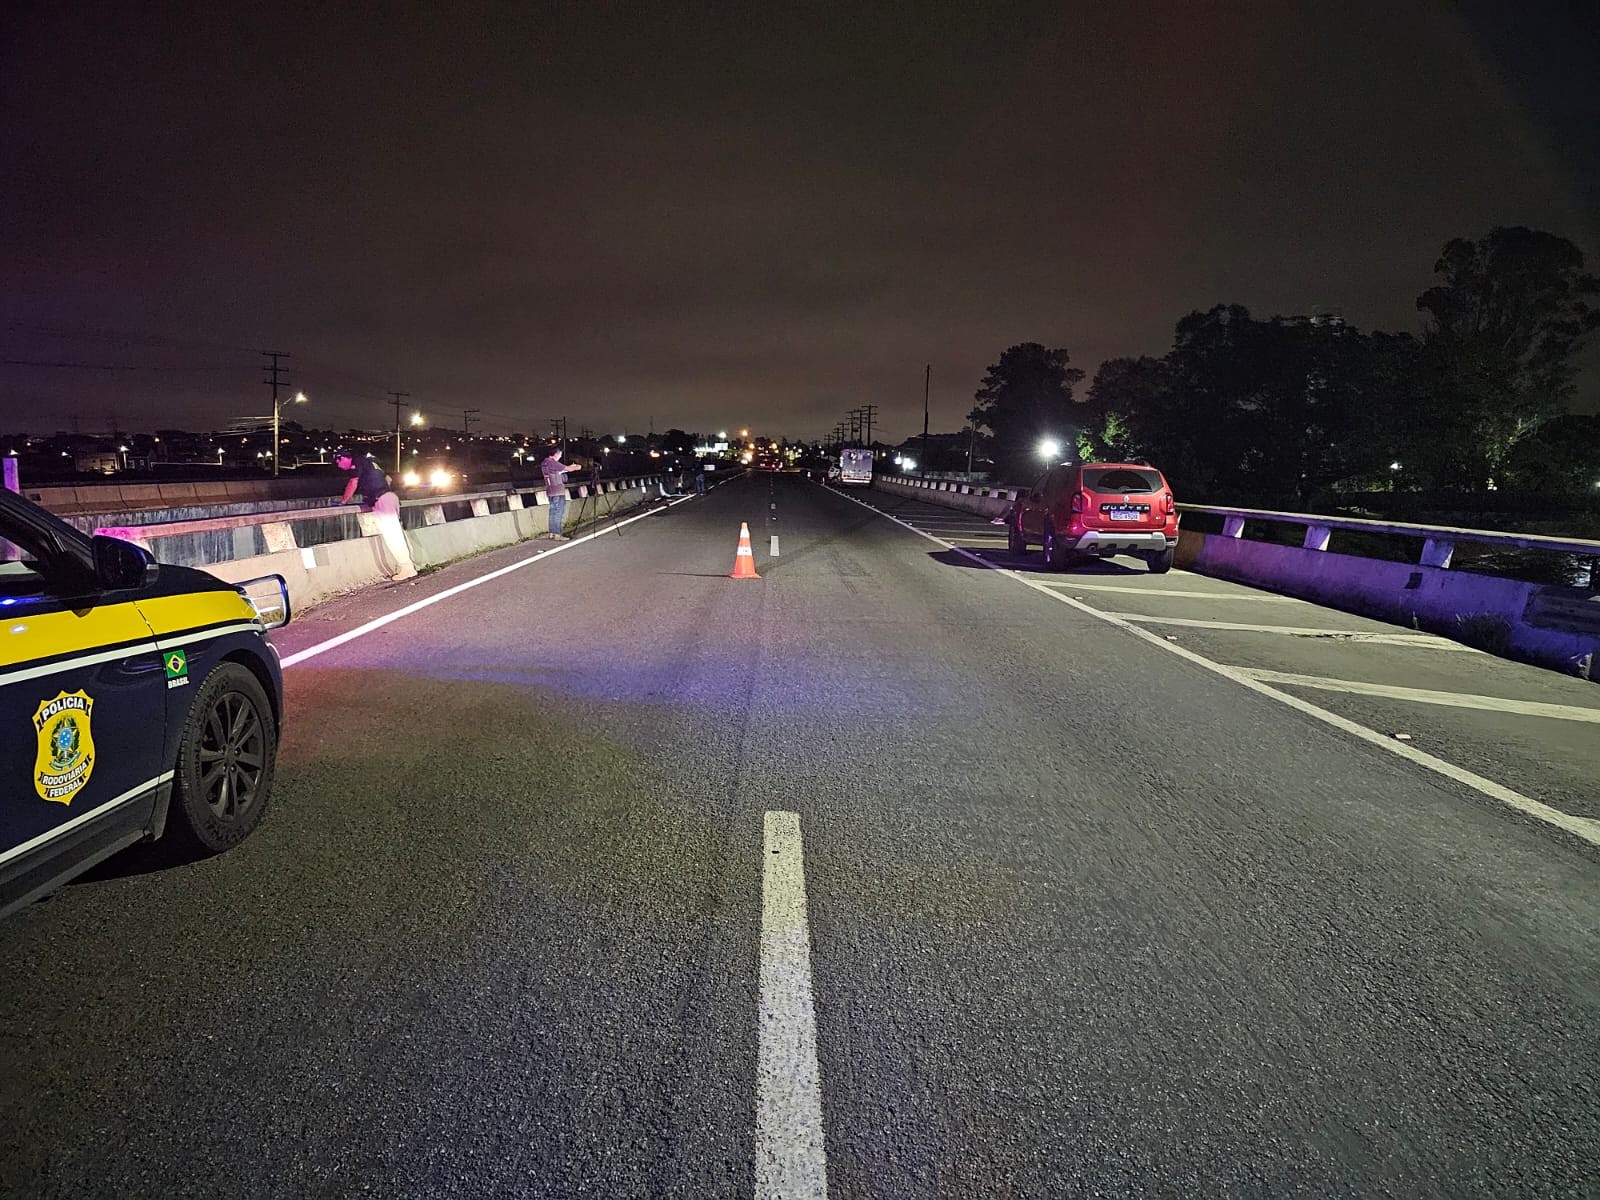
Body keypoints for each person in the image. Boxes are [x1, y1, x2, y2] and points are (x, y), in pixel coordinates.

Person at [334, 449, 417, 580]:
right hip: (390, 497)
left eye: (338, 462)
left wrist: (343, 502)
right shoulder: (369, 462)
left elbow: (353, 483)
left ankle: (407, 568)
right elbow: (388, 478)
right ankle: (408, 565)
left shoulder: (357, 463)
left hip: (382, 500)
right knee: (397, 534)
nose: (338, 466)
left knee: (392, 537)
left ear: (344, 458)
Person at [540, 446, 583, 539]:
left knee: (552, 512)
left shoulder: (545, 463)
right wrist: (577, 467)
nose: (560, 456)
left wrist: (567, 468)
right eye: (560, 454)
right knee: (558, 512)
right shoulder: (552, 462)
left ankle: (552, 533)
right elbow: (568, 469)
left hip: (550, 491)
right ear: (556, 454)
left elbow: (558, 471)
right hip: (557, 491)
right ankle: (557, 534)